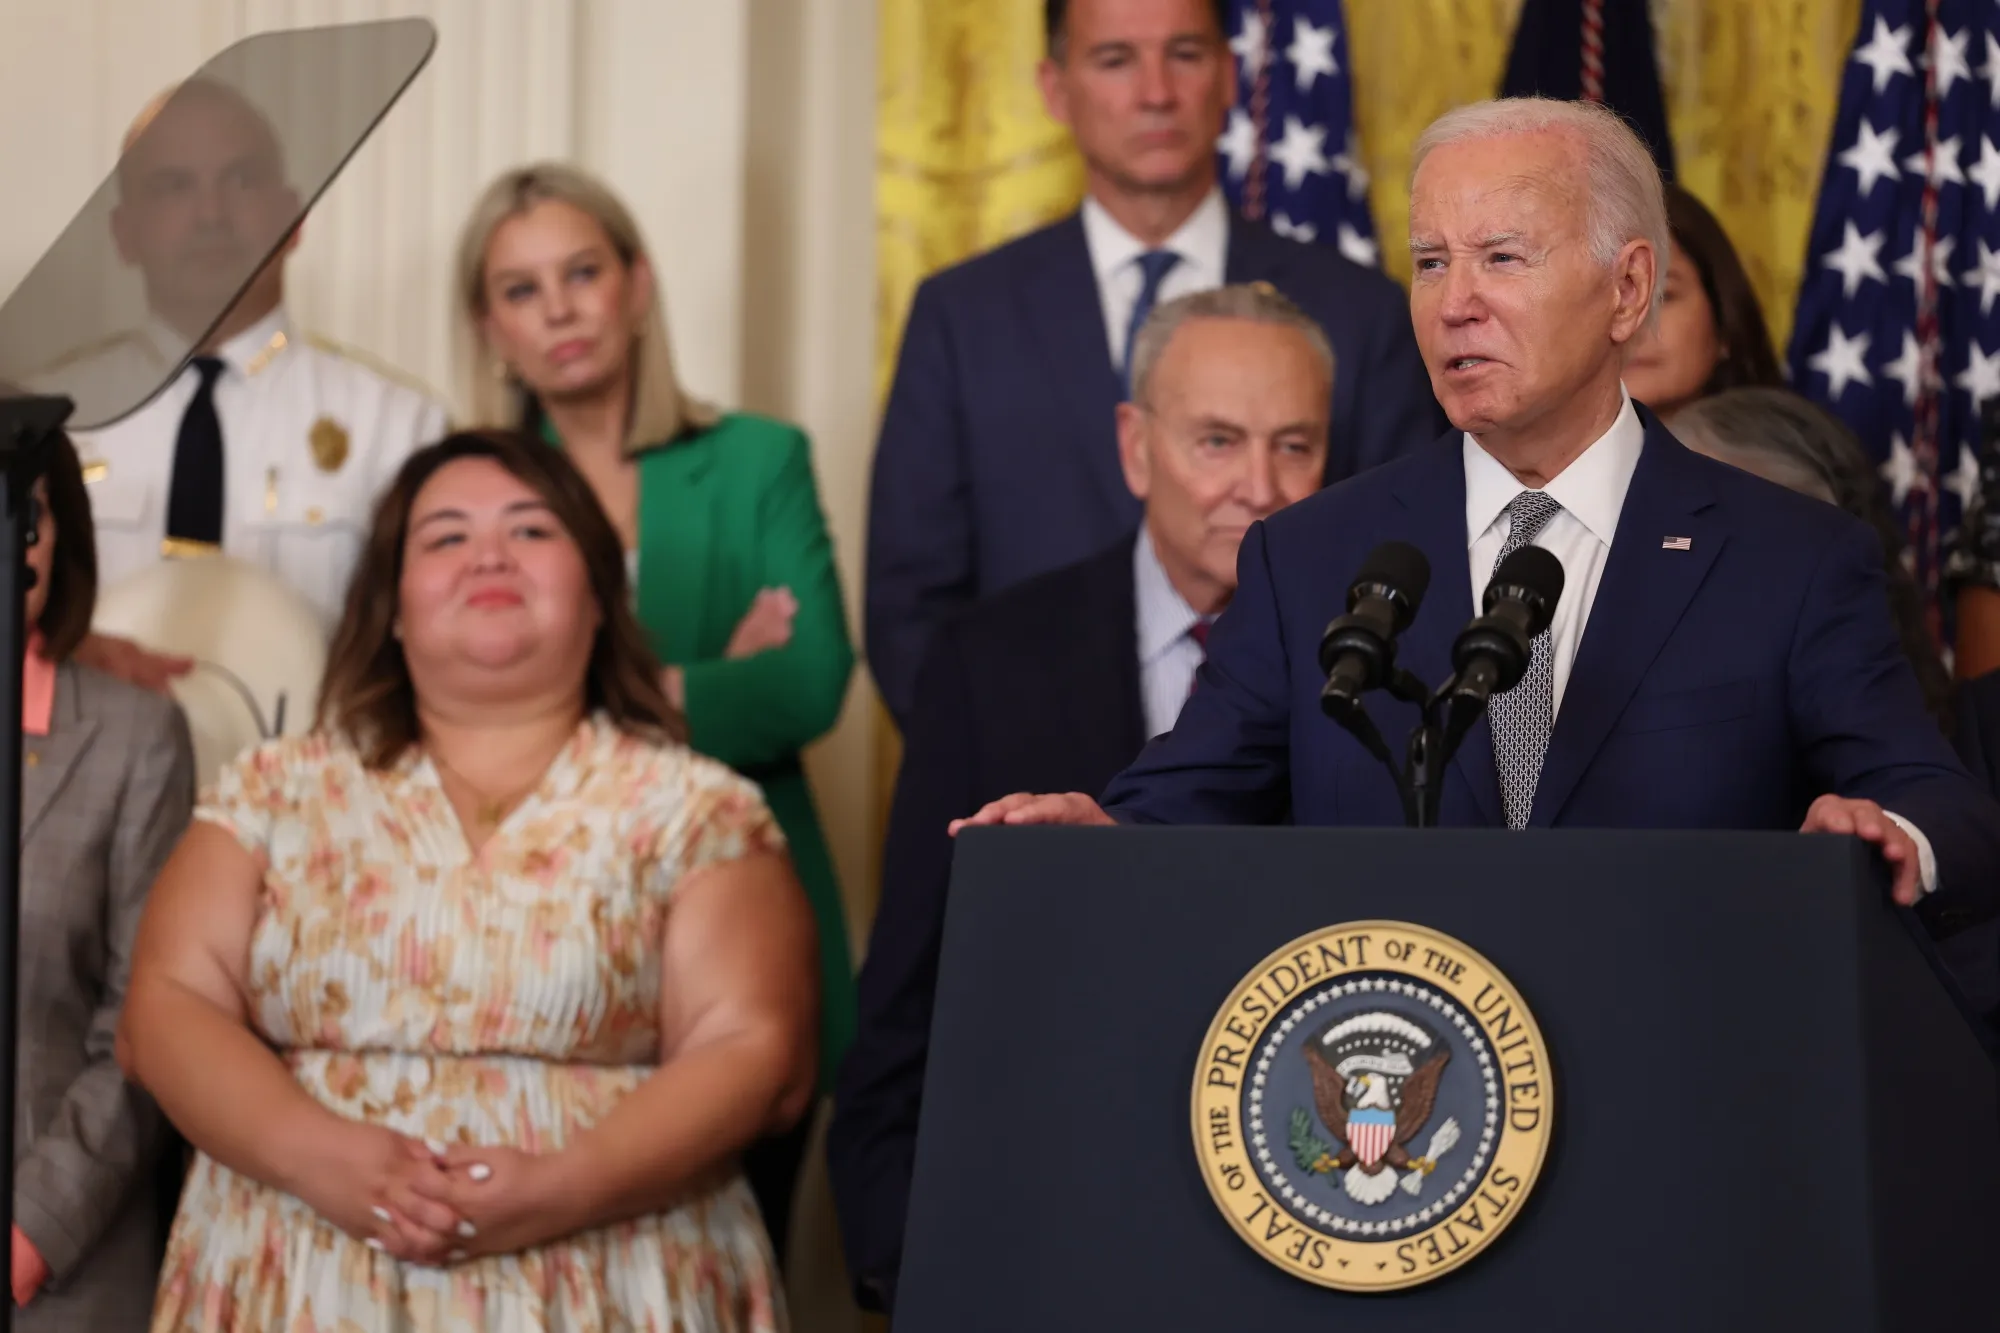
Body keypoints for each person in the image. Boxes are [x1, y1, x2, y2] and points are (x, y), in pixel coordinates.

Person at [955, 99, 2000, 938]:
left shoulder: (1789, 558)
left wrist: (1890, 829)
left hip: (1682, 1112)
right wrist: (1096, 829)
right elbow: (1189, 793)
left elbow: (1927, 791)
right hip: (1402, 1130)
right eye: (1428, 262)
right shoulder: (1313, 554)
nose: (1453, 302)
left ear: (1626, 290)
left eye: (1500, 257)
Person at [119, 431, 817, 1331]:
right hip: (295, 1275)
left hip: (615, 1278)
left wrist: (563, 1186)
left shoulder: (697, 807)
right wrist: (321, 1157)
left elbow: (755, 1050)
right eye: (445, 537)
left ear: (600, 593)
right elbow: (165, 1008)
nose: (488, 554)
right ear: (393, 607)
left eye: (531, 531)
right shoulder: (272, 788)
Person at [828, 283, 1332, 1313]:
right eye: (1216, 441)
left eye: (1294, 445)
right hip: (1040, 1239)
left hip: (1309, 1237)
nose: (1258, 487)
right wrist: (904, 1263)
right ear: (1134, 446)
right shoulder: (988, 660)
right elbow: (912, 999)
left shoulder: (1383, 670)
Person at [452, 161, 855, 1260]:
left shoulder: (756, 459)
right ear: (489, 326)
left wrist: (582, 699)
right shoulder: (467, 491)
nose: (561, 309)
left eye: (583, 272)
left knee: (731, 1268)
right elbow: (450, 709)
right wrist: (699, 679)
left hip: (737, 940)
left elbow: (807, 683)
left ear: (634, 285)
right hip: (532, 961)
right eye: (522, 289)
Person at [864, 0, 1438, 726]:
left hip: (1289, 805)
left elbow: (1406, 571)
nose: (1156, 92)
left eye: (1186, 54)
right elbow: (908, 611)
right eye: (1116, 60)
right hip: (1029, 800)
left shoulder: (1358, 310)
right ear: (1054, 88)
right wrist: (1009, 775)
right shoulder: (961, 315)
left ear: (1230, 75)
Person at [38, 78, 446, 687]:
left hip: (317, 769)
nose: (210, 215)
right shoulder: (45, 418)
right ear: (124, 232)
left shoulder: (399, 426)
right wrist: (59, 642)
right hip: (86, 765)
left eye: (241, 181)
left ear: (295, 217)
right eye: (174, 187)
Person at [9, 433, 194, 1329]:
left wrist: (30, 1230)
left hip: (56, 1264)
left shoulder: (136, 737)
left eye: (25, 510)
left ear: (59, 538)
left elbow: (147, 1023)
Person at [1619, 183, 1783, 420]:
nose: (1634, 320)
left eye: (1662, 296)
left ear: (1724, 319)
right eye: (1608, 296)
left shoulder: (1789, 454)